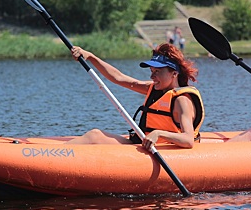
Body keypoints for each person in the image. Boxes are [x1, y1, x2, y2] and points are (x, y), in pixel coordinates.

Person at [69, 43, 204, 149]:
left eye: (157, 71)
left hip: (163, 151)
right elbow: (118, 77)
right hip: (141, 145)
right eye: (151, 71)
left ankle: (50, 160)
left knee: (94, 136)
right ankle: (53, 154)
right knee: (95, 135)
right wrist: (91, 57)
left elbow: (188, 140)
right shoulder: (153, 88)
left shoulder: (182, 100)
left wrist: (158, 133)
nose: (152, 76)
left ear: (174, 73)